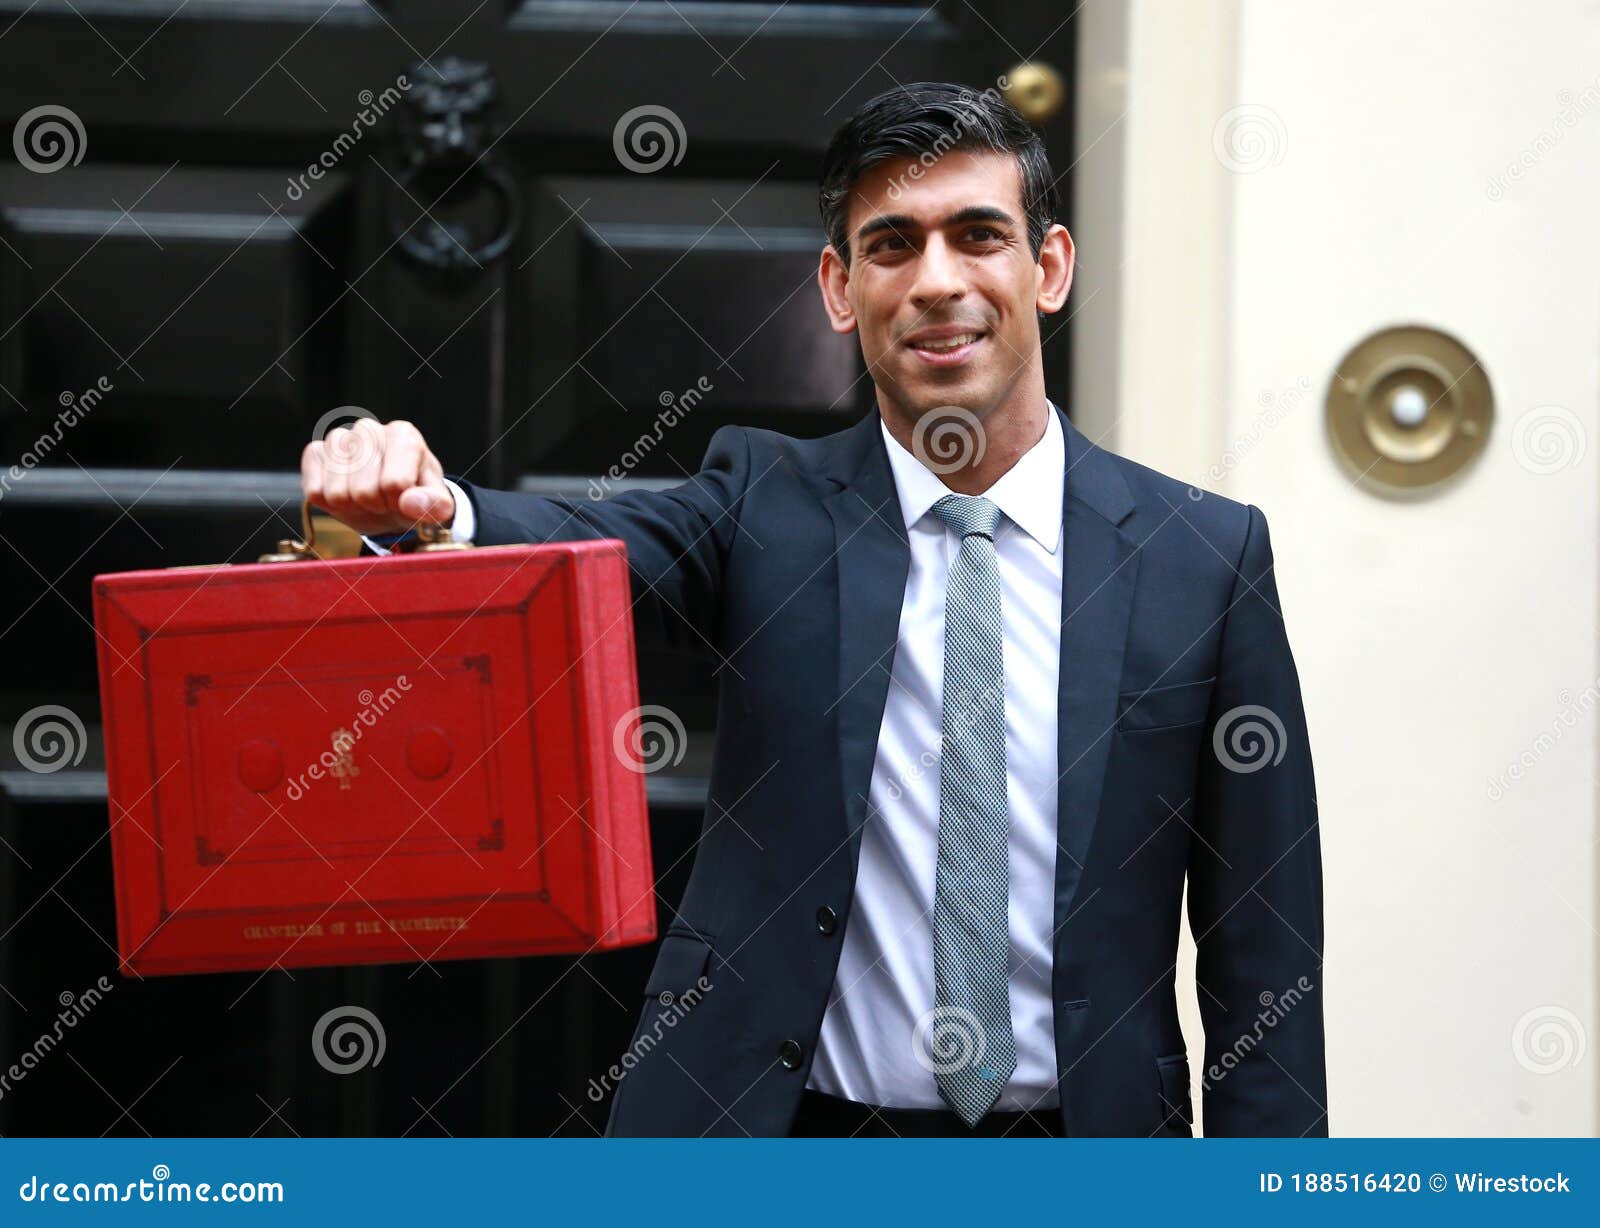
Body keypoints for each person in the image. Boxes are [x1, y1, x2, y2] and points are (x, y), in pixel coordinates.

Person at [301, 81, 1326, 1138]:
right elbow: (589, 548)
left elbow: (1265, 951)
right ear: (840, 288)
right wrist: (433, 509)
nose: (937, 282)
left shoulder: (1201, 555)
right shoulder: (761, 505)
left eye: (978, 236)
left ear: (1048, 267)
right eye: (892, 245)